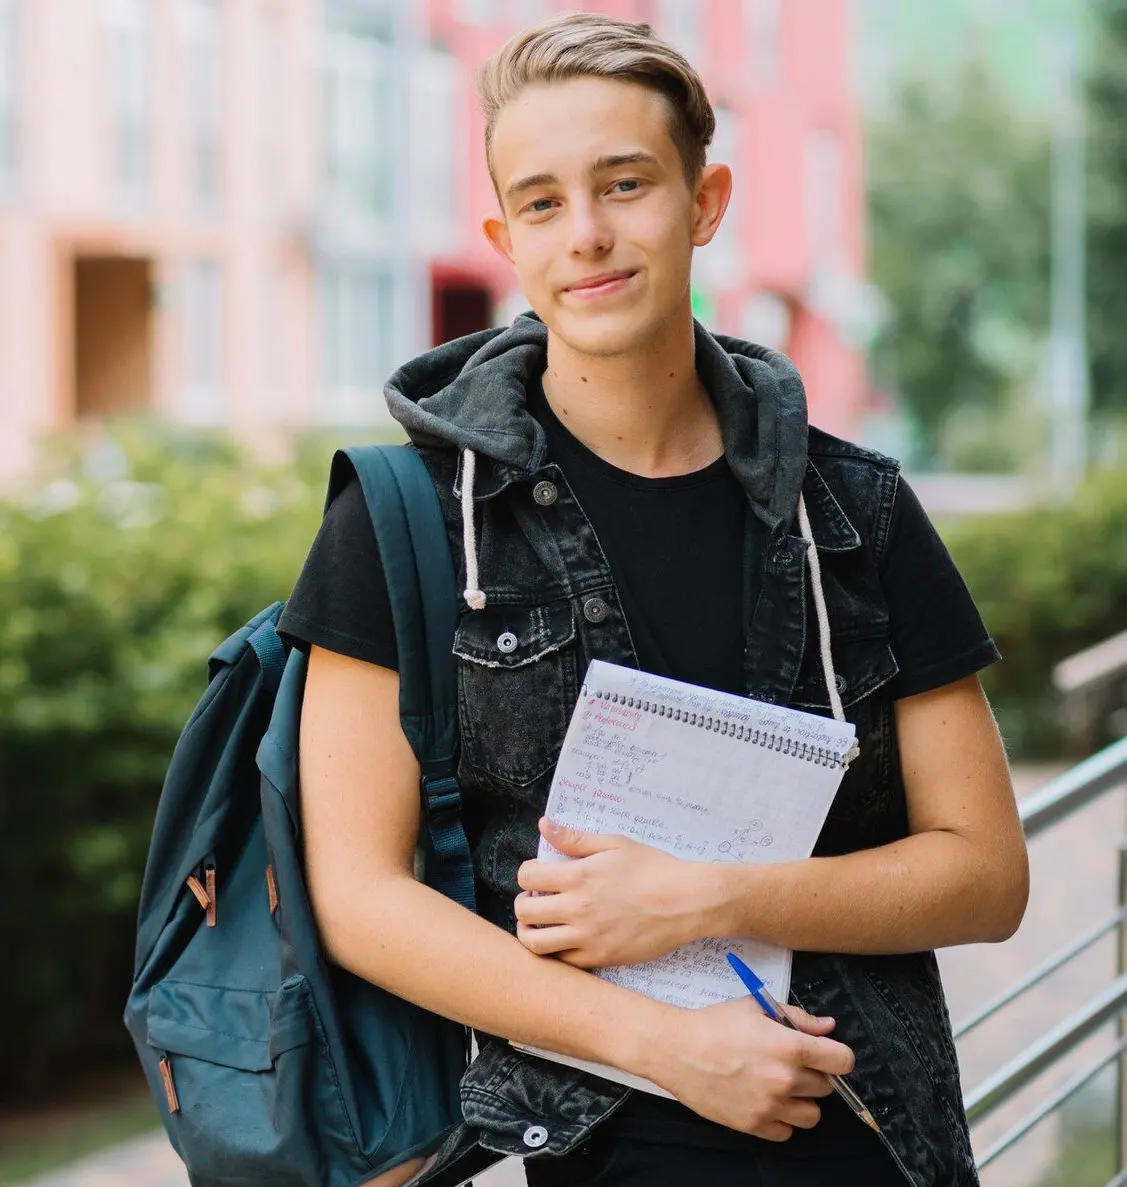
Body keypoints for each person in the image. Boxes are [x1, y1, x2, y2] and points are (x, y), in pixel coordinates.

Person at [279, 13, 1028, 1187]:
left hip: (876, 1145)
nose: (584, 235)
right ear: (503, 237)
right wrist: (673, 1050)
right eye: (539, 202)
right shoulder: (407, 519)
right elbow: (359, 898)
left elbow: (985, 874)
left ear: (704, 200)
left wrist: (703, 897)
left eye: (623, 184)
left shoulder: (856, 511)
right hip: (588, 1154)